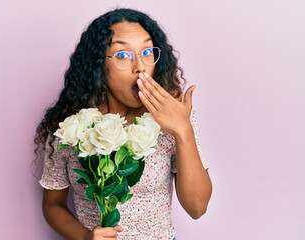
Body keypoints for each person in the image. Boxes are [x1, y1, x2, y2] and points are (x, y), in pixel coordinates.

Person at [34, 8, 212, 240]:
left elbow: (197, 207)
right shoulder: (71, 125)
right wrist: (86, 237)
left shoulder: (173, 116)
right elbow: (53, 204)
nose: (140, 67)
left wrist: (183, 130)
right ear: (99, 65)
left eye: (147, 52)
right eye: (123, 55)